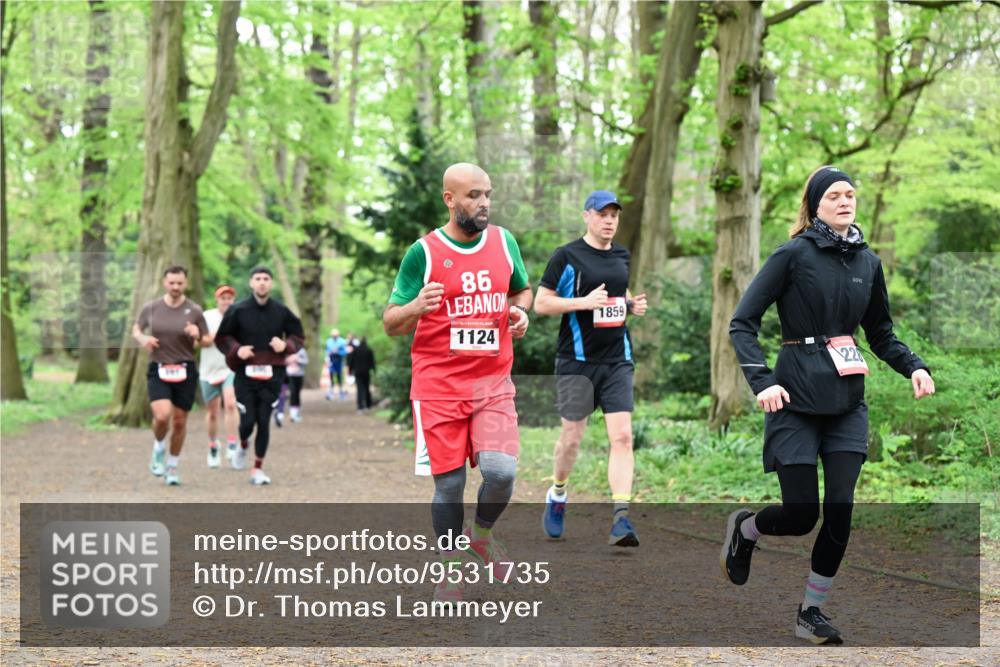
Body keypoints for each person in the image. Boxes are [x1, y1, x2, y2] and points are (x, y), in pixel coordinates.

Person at [722, 166, 935, 645]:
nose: (845, 201)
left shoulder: (868, 263)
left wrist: (915, 367)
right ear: (815, 204)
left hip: (846, 403)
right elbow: (742, 322)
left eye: (851, 194)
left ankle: (810, 612)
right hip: (794, 398)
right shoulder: (793, 255)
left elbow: (880, 334)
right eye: (835, 195)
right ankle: (748, 528)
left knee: (840, 510)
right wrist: (762, 381)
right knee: (801, 515)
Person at [383, 163, 531, 604]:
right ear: (449, 199)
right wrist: (416, 307)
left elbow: (521, 290)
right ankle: (450, 565)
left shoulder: (504, 242)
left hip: (492, 381)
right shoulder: (423, 253)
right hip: (438, 386)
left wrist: (520, 311)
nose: (482, 203)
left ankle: (481, 537)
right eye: (472, 195)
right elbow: (391, 322)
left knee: (502, 473)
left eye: (486, 194)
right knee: (448, 487)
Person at [534, 190, 648, 546]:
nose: (609, 220)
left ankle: (621, 519)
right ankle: (558, 493)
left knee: (623, 437)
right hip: (576, 363)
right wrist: (583, 302)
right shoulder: (566, 256)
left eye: (614, 214)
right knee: (572, 439)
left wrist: (630, 304)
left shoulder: (621, 255)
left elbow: (616, 295)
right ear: (587, 216)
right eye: (602, 214)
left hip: (617, 360)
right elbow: (541, 304)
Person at [215, 266, 305, 485]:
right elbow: (222, 337)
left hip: (272, 374)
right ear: (251, 283)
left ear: (271, 283)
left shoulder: (281, 311)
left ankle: (257, 469)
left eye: (266, 278)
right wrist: (237, 350)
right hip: (245, 374)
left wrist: (286, 345)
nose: (262, 282)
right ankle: (243, 444)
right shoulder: (238, 310)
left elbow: (298, 336)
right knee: (247, 422)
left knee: (263, 421)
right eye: (258, 278)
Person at [132, 265, 210, 486]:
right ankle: (158, 447)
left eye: (180, 283)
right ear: (164, 283)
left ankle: (173, 465)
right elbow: (136, 329)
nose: (175, 287)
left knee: (179, 421)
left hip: (185, 369)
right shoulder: (152, 307)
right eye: (171, 282)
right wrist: (143, 339)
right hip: (159, 367)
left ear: (186, 283)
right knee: (162, 416)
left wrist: (198, 335)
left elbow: (207, 340)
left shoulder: (194, 311)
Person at [199, 285, 240, 468]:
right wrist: (218, 337)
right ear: (217, 300)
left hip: (230, 369)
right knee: (212, 412)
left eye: (229, 298)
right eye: (223, 298)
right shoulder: (207, 317)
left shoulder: (239, 316)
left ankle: (232, 443)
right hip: (208, 371)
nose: (226, 301)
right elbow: (199, 342)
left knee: (231, 404)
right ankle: (213, 445)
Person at [275, 347, 307, 426]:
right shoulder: (283, 348)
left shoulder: (301, 350)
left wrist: (297, 359)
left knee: (295, 393)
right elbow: (279, 360)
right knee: (282, 394)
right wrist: (288, 360)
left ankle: (294, 414)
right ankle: (279, 414)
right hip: (286, 376)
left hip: (298, 376)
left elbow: (306, 361)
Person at [347, 336, 375, 412]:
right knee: (367, 388)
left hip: (358, 372)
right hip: (366, 372)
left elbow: (350, 360)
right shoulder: (369, 350)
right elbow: (372, 361)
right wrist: (374, 370)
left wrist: (350, 370)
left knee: (360, 389)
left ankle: (360, 407)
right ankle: (368, 405)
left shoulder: (356, 350)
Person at [325, 329, 349, 400]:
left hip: (339, 360)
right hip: (331, 361)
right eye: (333, 335)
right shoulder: (329, 341)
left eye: (335, 335)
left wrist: (338, 351)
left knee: (339, 377)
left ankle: (341, 392)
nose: (334, 336)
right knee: (331, 377)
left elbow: (344, 352)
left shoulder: (342, 341)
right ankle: (331, 392)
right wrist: (329, 354)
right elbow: (327, 351)